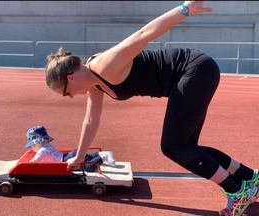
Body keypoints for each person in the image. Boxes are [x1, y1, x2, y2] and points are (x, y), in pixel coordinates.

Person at [44, 1, 258, 215]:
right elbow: (91, 120)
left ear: (71, 78)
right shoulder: (95, 83)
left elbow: (144, 33)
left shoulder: (104, 65)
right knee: (187, 147)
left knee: (172, 146)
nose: (71, 97)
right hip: (194, 74)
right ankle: (251, 178)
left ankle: (238, 189)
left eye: (66, 93)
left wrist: (184, 9)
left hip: (194, 70)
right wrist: (80, 156)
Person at [25, 126, 116, 171]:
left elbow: (33, 162)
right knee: (88, 156)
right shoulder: (48, 146)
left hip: (67, 160)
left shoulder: (41, 151)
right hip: (70, 154)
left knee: (88, 166)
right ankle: (102, 153)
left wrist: (24, 164)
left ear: (36, 143)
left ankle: (103, 157)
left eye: (32, 147)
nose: (32, 149)